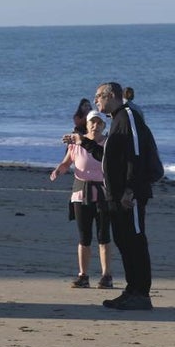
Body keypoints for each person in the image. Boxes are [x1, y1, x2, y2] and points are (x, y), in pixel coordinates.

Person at [75, 82, 155, 310]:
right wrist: (86, 143)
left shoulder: (128, 116)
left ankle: (141, 293)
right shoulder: (116, 120)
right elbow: (110, 158)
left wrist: (130, 189)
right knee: (123, 240)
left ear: (111, 95)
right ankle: (131, 290)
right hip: (115, 195)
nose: (96, 100)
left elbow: (137, 155)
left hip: (131, 195)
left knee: (135, 241)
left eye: (99, 96)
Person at [51, 110, 114, 289]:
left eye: (99, 123)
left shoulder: (107, 144)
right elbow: (66, 163)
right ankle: (83, 275)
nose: (95, 126)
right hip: (80, 194)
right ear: (86, 125)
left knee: (104, 237)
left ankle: (106, 276)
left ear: (104, 126)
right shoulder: (75, 144)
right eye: (92, 123)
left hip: (103, 194)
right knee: (84, 237)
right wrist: (58, 171)